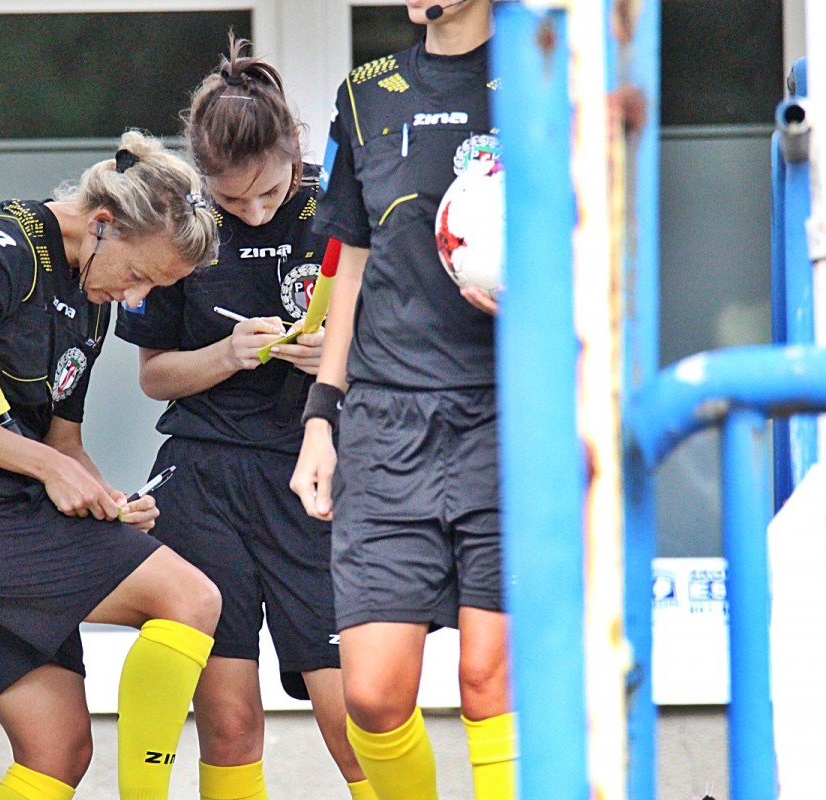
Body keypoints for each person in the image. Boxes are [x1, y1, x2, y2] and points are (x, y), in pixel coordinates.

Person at [0, 129, 222, 800]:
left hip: (14, 509)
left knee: (57, 751)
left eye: (153, 288)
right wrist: (49, 469)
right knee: (191, 599)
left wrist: (105, 497)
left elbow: (63, 445)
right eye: (139, 275)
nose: (135, 298)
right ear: (103, 223)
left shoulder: (91, 299)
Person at [114, 35, 374, 800]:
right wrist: (227, 354)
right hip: (205, 478)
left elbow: (408, 352)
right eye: (233, 201)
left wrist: (338, 359)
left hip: (315, 477)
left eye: (270, 192)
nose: (254, 213)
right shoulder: (182, 221)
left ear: (294, 147)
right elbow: (154, 376)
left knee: (356, 715)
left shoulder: (345, 206)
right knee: (228, 722)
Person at [288, 1, 516, 799]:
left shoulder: (541, 76)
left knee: (491, 680)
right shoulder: (365, 92)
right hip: (387, 424)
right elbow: (349, 264)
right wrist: (321, 416)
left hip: (508, 415)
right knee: (374, 696)